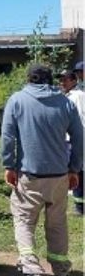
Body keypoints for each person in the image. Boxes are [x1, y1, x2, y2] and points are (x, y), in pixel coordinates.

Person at [1, 64, 83, 276]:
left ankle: (31, 270)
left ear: (29, 79)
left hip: (29, 175)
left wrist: (9, 165)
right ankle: (62, 274)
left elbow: (8, 136)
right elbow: (79, 137)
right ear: (51, 80)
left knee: (24, 220)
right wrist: (74, 168)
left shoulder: (17, 100)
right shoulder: (65, 102)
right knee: (57, 224)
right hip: (58, 176)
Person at [57, 70, 85, 216]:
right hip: (72, 138)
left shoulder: (77, 96)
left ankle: (80, 207)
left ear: (74, 81)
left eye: (65, 79)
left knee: (78, 169)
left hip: (77, 138)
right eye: (60, 80)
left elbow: (80, 119)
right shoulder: (69, 96)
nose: (62, 82)